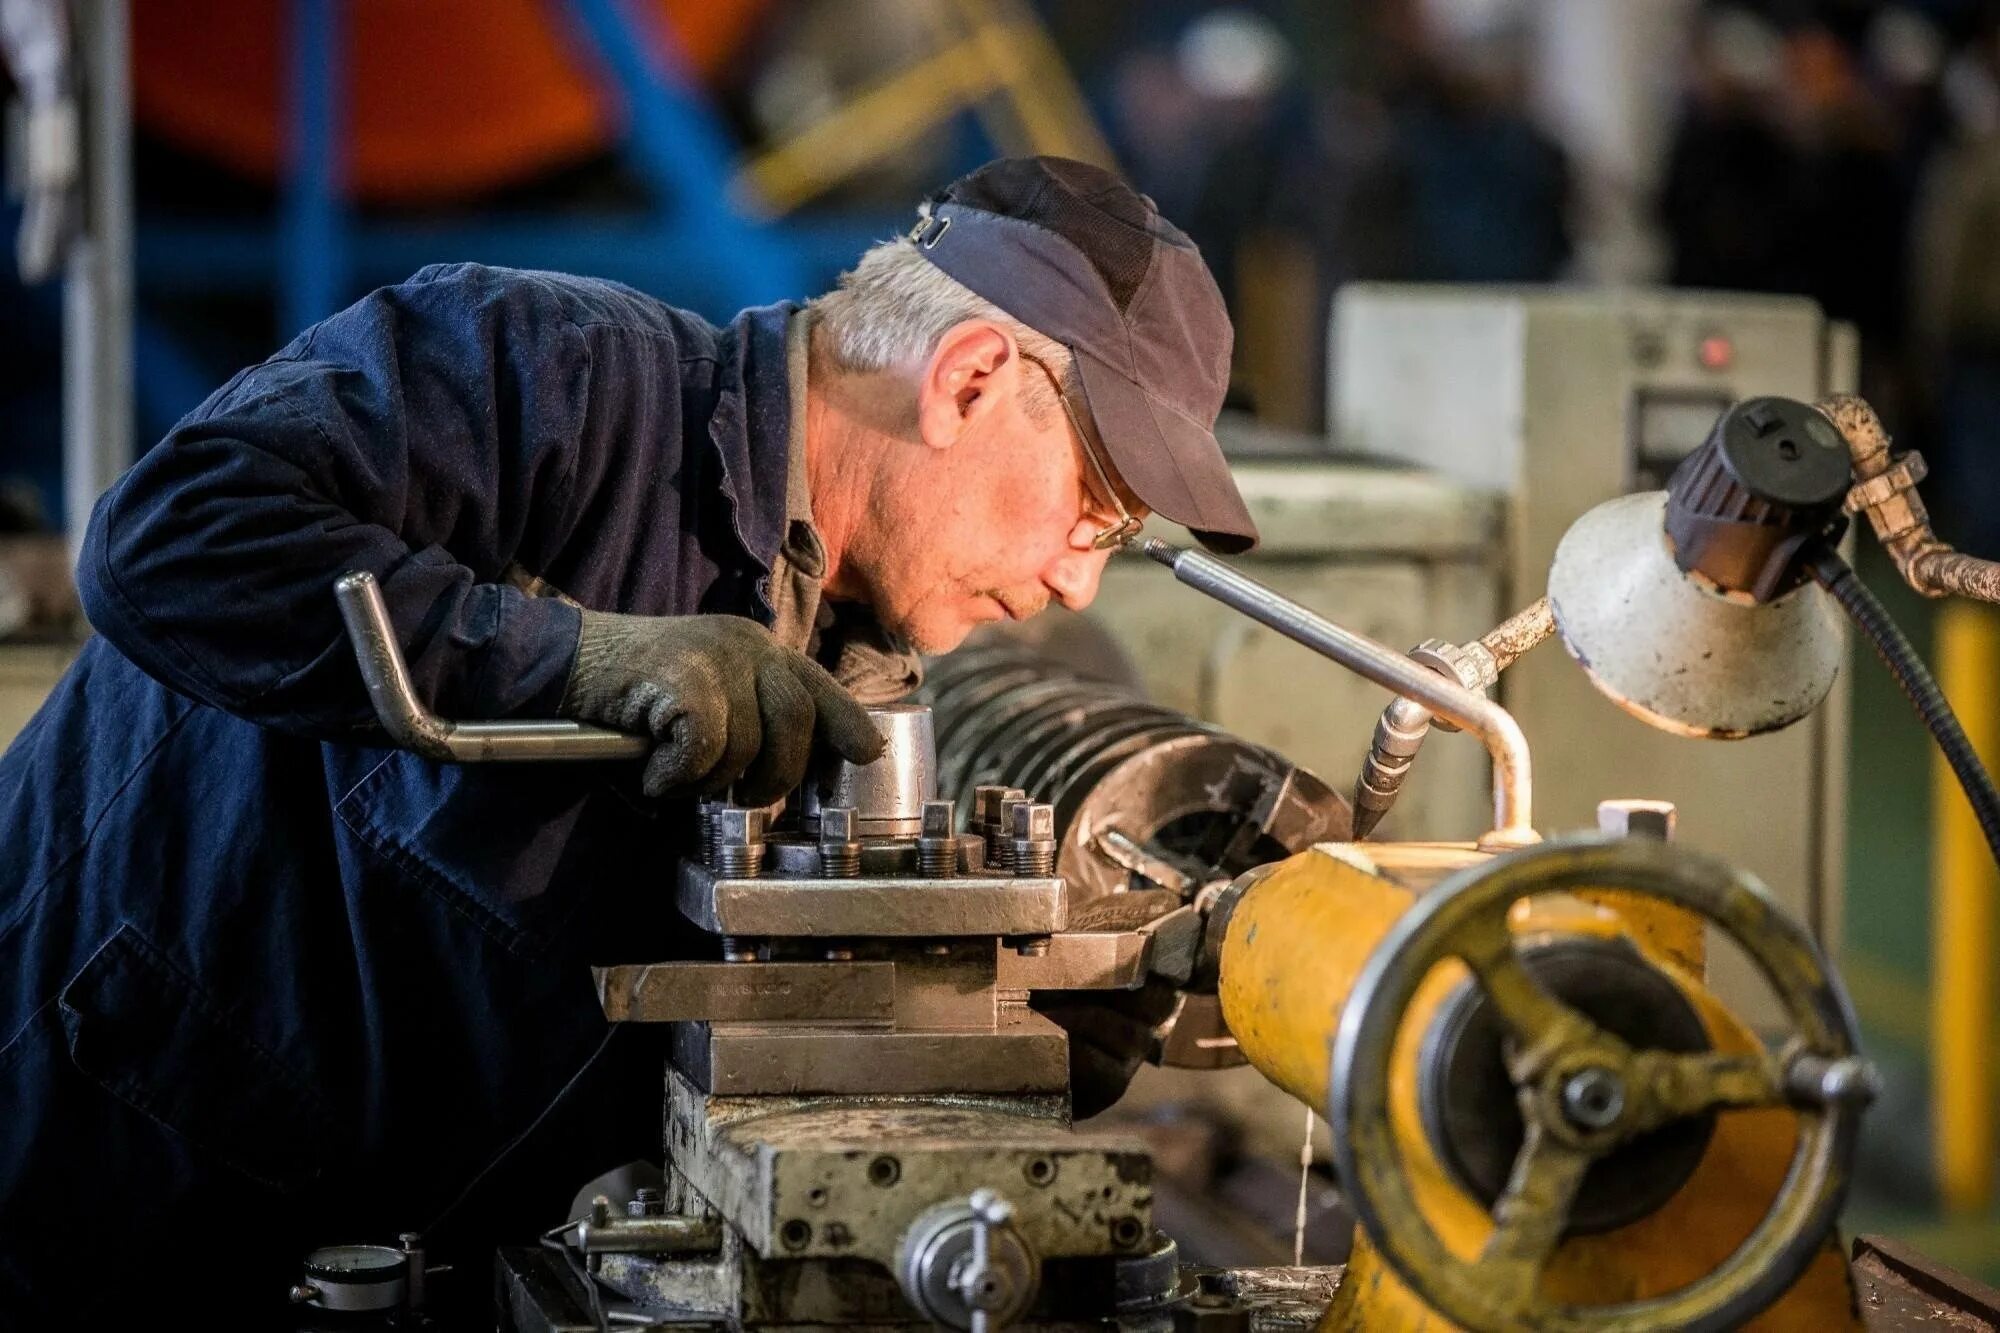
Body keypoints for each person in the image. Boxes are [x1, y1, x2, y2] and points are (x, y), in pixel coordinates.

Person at [0, 156, 1256, 1321]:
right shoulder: (547, 379)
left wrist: (1004, 1021)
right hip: (82, 1189)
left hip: (401, 1265)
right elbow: (164, 538)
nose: (1078, 583)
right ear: (969, 378)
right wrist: (576, 658)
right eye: (1093, 515)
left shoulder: (852, 655)